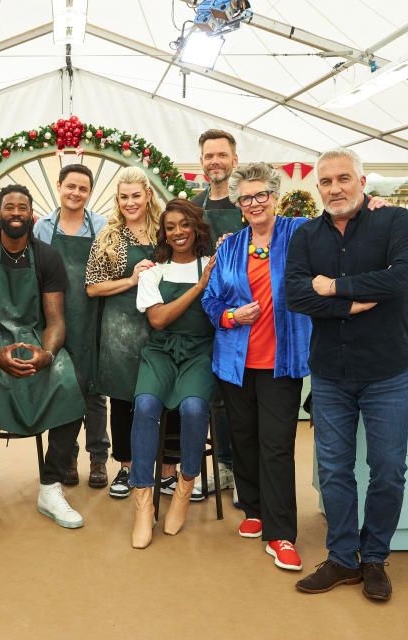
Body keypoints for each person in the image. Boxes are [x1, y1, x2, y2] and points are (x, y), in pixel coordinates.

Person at [287, 147, 408, 601]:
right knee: (333, 470)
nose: (335, 188)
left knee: (387, 470)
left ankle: (375, 557)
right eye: (325, 181)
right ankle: (343, 558)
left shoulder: (396, 222)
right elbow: (295, 296)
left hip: (386, 371)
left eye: (343, 178)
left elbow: (401, 278)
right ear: (317, 187)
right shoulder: (306, 236)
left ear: (361, 181)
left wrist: (335, 286)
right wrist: (353, 303)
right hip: (330, 374)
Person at [0, 184, 86, 538]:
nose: (15, 212)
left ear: (31, 214)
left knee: (72, 380)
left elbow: (55, 319)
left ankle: (51, 485)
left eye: (22, 207)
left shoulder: (47, 256)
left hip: (34, 339)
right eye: (8, 206)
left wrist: (48, 353)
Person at [201, 162, 313, 572]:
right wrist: (231, 317)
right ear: (238, 203)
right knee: (243, 439)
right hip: (234, 361)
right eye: (245, 197)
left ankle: (281, 534)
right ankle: (254, 507)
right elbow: (210, 301)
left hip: (281, 361)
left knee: (278, 446)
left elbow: (341, 222)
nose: (254, 203)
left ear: (274, 195)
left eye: (260, 195)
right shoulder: (229, 246)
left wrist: (374, 204)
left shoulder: (299, 232)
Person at [129, 199, 216, 549]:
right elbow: (158, 319)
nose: (178, 232)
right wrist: (198, 287)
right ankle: (143, 503)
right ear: (163, 233)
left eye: (184, 224)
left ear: (196, 227)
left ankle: (184, 487)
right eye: (170, 227)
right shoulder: (153, 272)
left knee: (194, 409)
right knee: (146, 405)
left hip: (200, 350)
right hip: (161, 350)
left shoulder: (212, 264)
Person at [85, 167, 162, 499]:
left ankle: (166, 470)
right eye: (124, 197)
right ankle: (126, 467)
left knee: (160, 397)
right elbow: (92, 288)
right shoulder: (109, 237)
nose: (130, 202)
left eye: (136, 195)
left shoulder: (163, 233)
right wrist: (131, 280)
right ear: (118, 200)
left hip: (160, 321)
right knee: (122, 399)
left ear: (148, 195)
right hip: (120, 326)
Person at [33, 163, 110, 489]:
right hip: (54, 320)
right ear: (59, 186)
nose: (76, 193)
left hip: (92, 317)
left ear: (89, 193)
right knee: (62, 388)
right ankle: (66, 457)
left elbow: (111, 271)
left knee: (93, 392)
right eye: (71, 187)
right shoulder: (42, 227)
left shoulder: (103, 226)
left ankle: (98, 458)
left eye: (83, 189)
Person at [190, 128, 244, 497]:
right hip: (200, 306)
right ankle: (222, 466)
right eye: (209, 156)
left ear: (234, 160)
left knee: (238, 392)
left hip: (244, 309)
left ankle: (240, 468)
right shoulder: (193, 204)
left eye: (221, 155)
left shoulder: (249, 201)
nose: (215, 162)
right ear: (202, 162)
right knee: (211, 395)